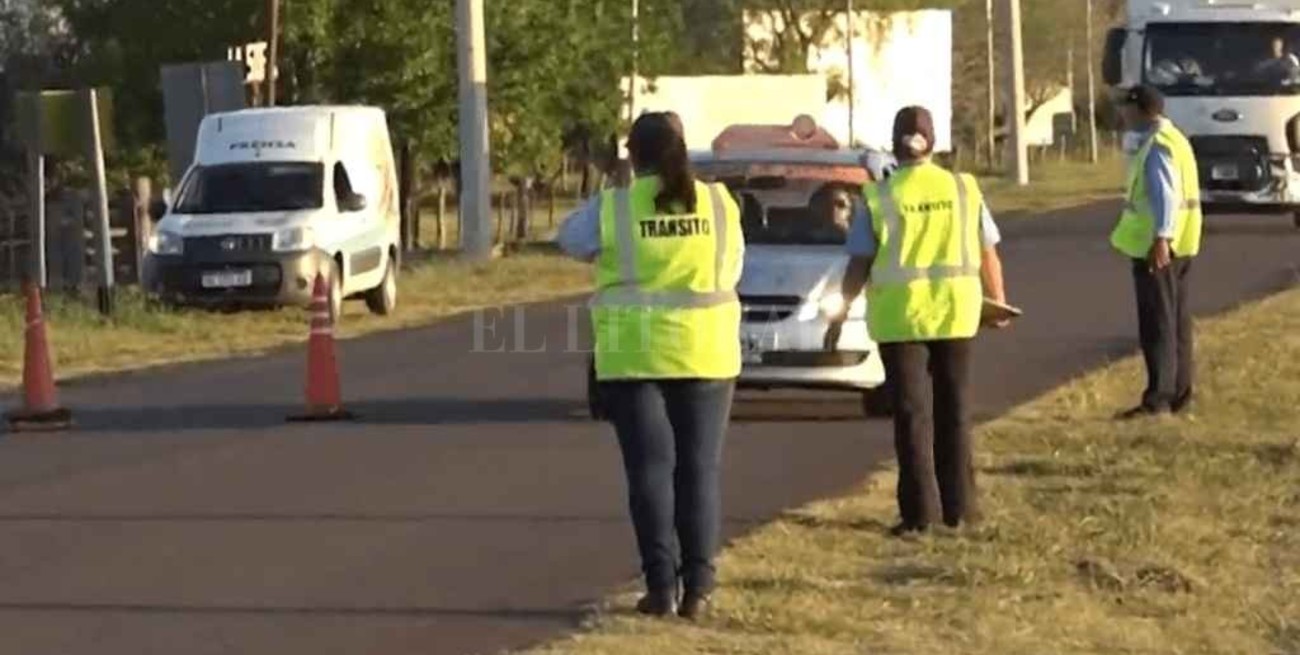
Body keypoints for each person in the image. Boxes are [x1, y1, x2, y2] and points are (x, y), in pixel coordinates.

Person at [557, 112, 744, 619]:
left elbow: (568, 239)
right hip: (708, 353)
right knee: (699, 470)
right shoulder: (721, 204)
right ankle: (700, 589)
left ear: (632, 156)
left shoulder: (616, 207)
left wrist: (616, 192)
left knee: (650, 473)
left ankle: (660, 588)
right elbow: (733, 267)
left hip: (634, 356)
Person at [824, 106, 1008, 535]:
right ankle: (961, 509)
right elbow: (987, 252)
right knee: (955, 411)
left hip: (901, 319)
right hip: (956, 314)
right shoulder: (963, 189)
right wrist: (998, 300)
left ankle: (918, 515)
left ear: (894, 143)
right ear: (934, 141)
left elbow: (860, 262)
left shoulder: (879, 197)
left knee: (911, 415)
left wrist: (844, 308)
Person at [1111, 85, 1202, 419]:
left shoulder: (1157, 146)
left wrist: (1162, 237)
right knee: (1177, 320)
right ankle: (1179, 392)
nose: (1122, 115)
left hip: (1159, 247)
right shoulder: (1176, 139)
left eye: (1126, 108)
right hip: (1182, 244)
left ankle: (1159, 398)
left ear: (1140, 109)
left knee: (1158, 323)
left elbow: (1166, 195)